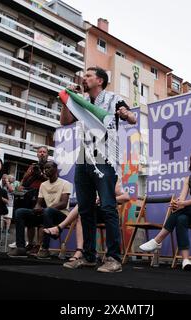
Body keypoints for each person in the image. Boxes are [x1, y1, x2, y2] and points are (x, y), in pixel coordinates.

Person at [60, 67, 136, 273]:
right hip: (84, 159)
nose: (84, 78)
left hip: (105, 158)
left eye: (88, 76)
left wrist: (125, 114)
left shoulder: (113, 99)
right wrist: (66, 100)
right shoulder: (80, 100)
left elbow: (132, 118)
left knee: (108, 207)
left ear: (100, 80)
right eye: (84, 76)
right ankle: (89, 256)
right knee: (85, 210)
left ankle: (113, 258)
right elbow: (65, 121)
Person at [139, 148, 191, 271]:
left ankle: (157, 240)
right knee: (181, 218)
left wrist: (183, 204)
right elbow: (182, 197)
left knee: (182, 209)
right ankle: (186, 260)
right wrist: (177, 203)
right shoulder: (188, 178)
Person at [43, 181, 130, 269]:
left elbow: (126, 197)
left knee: (82, 206)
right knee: (82, 212)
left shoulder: (111, 177)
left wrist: (106, 199)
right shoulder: (90, 180)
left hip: (107, 213)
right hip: (94, 211)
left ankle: (59, 228)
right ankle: (80, 250)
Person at [9, 161, 72, 259]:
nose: (46, 170)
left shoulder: (65, 183)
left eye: (49, 168)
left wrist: (46, 209)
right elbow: (39, 202)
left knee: (48, 211)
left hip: (62, 215)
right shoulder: (43, 185)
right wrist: (36, 208)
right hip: (47, 213)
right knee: (20, 212)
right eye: (45, 168)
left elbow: (63, 203)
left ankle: (44, 249)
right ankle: (21, 247)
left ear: (55, 169)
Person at [11, 147, 49, 253]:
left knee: (41, 221)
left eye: (44, 152)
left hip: (43, 195)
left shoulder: (50, 166)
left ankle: (39, 245)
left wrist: (41, 174)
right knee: (30, 222)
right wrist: (21, 185)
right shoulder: (32, 166)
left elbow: (52, 179)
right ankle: (31, 244)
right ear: (37, 154)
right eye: (40, 152)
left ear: (47, 155)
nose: (42, 154)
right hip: (29, 194)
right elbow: (24, 178)